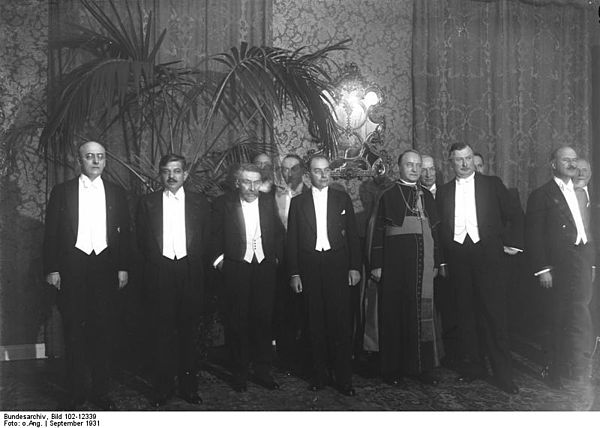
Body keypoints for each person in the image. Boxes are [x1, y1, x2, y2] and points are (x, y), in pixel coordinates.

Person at [43, 141, 130, 410]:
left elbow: (125, 234)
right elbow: (52, 233)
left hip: (105, 267)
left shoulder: (117, 193)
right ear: (79, 161)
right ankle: (76, 392)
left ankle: (101, 392)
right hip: (72, 266)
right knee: (74, 332)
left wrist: (123, 267)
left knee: (103, 332)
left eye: (100, 157)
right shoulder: (62, 191)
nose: (95, 161)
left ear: (105, 161)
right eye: (89, 156)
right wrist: (52, 268)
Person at [436, 142, 524, 394]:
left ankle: (504, 375)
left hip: (488, 257)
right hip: (458, 258)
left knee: (494, 316)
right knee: (465, 316)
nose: (464, 164)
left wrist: (512, 244)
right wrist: (443, 260)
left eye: (467, 158)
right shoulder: (443, 191)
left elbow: (514, 215)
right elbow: (441, 229)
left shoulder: (491, 184)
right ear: (450, 162)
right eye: (458, 160)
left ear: (473, 159)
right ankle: (473, 368)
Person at [136, 154, 211, 406]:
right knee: (162, 334)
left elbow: (207, 241)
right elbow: (139, 243)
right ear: (160, 174)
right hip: (160, 273)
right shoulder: (147, 203)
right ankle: (163, 389)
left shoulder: (200, 203)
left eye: (177, 171)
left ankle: (189, 388)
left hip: (190, 273)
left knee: (189, 334)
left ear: (185, 174)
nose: (172, 176)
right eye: (167, 171)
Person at [286, 155, 361, 396]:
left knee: (340, 322)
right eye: (318, 171)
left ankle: (344, 378)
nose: (323, 175)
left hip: (337, 265)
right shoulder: (298, 203)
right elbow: (292, 241)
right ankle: (319, 375)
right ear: (309, 174)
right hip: (309, 266)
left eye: (327, 170)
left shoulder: (342, 198)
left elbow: (352, 236)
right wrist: (295, 273)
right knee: (314, 322)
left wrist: (354, 267)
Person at [369, 150, 444, 386]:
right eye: (409, 164)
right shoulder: (388, 195)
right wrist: (377, 265)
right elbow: (378, 230)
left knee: (423, 315)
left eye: (417, 165)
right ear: (399, 167)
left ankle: (422, 368)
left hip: (424, 266)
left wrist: (437, 261)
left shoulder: (428, 197)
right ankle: (393, 369)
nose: (414, 169)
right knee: (395, 315)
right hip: (395, 265)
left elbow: (436, 233)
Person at [525, 147, 596, 388]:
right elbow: (533, 236)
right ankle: (553, 369)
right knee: (556, 317)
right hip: (558, 263)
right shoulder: (542, 194)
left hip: (581, 261)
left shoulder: (580, 193)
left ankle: (575, 367)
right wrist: (543, 268)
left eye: (574, 159)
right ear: (552, 164)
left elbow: (587, 230)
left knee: (579, 315)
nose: (571, 163)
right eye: (565, 159)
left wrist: (591, 262)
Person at [212, 163, 284, 392]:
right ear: (237, 183)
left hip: (264, 267)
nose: (252, 187)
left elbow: (278, 233)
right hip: (236, 267)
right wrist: (220, 262)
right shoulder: (223, 203)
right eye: (246, 182)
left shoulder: (267, 201)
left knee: (263, 321)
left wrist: (276, 258)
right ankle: (240, 373)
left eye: (256, 182)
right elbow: (212, 236)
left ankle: (263, 371)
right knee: (238, 322)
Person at [273, 154, 310, 374]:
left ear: (302, 170)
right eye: (284, 169)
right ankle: (286, 360)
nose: (288, 173)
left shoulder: (311, 195)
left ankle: (305, 359)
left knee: (305, 311)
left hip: (306, 262)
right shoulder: (273, 196)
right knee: (284, 312)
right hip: (281, 263)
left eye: (293, 168)